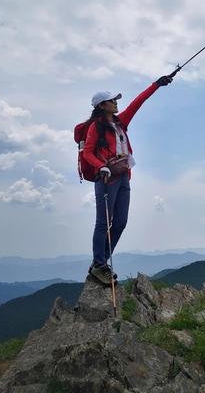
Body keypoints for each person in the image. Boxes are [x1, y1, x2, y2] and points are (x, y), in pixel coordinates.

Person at [82, 74, 173, 285]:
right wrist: (101, 166)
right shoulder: (96, 127)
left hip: (123, 177)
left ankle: (101, 261)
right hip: (106, 178)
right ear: (101, 106)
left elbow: (138, 102)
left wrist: (157, 85)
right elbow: (88, 152)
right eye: (112, 101)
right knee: (103, 222)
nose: (116, 103)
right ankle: (99, 263)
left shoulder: (121, 121)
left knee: (120, 222)